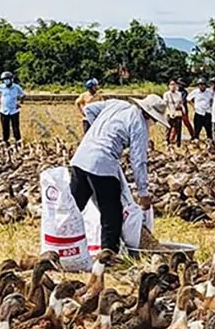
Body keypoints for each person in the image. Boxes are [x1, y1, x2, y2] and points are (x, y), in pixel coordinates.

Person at [70, 96, 169, 254]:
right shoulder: (140, 125)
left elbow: (88, 109)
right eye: (155, 121)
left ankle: (61, 243)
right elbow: (138, 161)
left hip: (81, 157)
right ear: (149, 116)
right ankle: (108, 254)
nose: (153, 124)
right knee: (112, 212)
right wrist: (143, 193)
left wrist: (97, 133)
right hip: (102, 163)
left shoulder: (117, 104)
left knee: (74, 207)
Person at [0, 71, 25, 145]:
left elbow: (23, 95)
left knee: (15, 127)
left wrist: (20, 103)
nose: (6, 81)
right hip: (4, 110)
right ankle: (5, 141)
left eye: (7, 79)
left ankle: (18, 142)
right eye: (4, 80)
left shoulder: (16, 87)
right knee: (5, 127)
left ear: (11, 79)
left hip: (14, 110)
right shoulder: (1, 87)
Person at [164, 79, 184, 147]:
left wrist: (182, 109)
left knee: (178, 129)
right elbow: (165, 104)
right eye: (171, 84)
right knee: (168, 128)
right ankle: (167, 142)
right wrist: (169, 112)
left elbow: (181, 103)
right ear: (169, 86)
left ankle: (178, 143)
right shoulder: (166, 94)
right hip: (169, 113)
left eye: (174, 84)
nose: (173, 86)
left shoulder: (179, 94)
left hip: (177, 113)